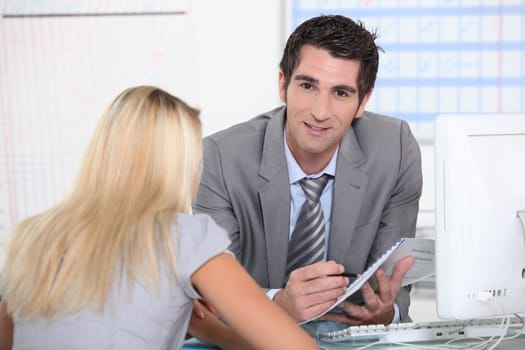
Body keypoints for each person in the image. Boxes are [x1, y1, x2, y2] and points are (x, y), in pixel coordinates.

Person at [0, 86, 318, 349]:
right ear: (179, 168)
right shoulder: (184, 237)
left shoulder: (33, 236)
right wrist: (218, 330)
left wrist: (203, 327)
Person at [194, 14, 422, 327]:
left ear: (362, 102)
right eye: (307, 86)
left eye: (340, 93)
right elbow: (210, 296)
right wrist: (277, 304)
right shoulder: (221, 158)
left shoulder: (394, 149)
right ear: (282, 84)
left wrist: (386, 313)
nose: (320, 112)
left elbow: (395, 284)